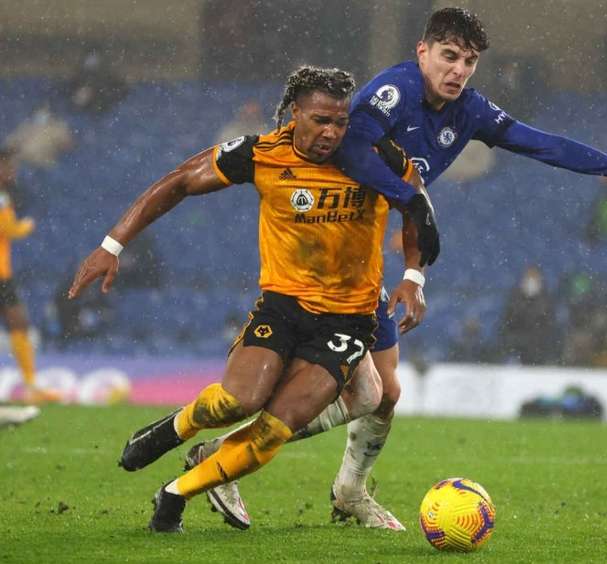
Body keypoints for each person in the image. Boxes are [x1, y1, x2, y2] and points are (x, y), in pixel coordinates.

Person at [198, 6, 607, 531]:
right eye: (449, 57)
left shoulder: (469, 110)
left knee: (384, 395)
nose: (458, 70)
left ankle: (348, 491)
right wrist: (411, 199)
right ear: (423, 52)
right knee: (333, 391)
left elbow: (546, 145)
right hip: (316, 256)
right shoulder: (392, 93)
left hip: (364, 265)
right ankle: (224, 457)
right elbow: (348, 153)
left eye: (469, 61)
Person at [68, 66, 427, 533]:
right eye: (320, 120)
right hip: (283, 305)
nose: (331, 132)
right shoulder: (262, 153)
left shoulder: (375, 154)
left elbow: (416, 204)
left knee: (278, 426)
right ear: (294, 114)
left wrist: (414, 275)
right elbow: (180, 181)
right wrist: (112, 245)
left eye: (339, 122)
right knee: (240, 400)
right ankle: (173, 429)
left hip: (346, 321)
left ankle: (175, 494)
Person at [0, 150, 59, 403]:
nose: (13, 172)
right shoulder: (2, 197)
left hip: (4, 274)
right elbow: (8, 229)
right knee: (19, 322)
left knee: (19, 323)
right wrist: (28, 225)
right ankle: (30, 385)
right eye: (9, 167)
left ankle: (30, 385)